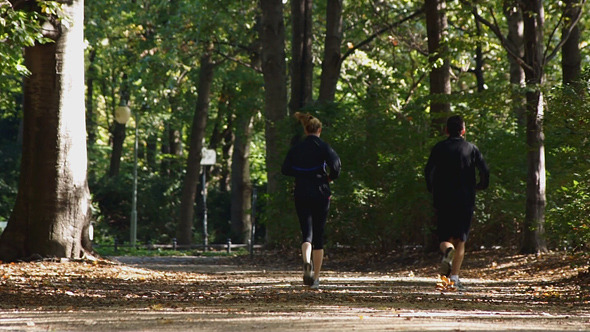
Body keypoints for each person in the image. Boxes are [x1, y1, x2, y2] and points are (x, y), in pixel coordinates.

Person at [424, 115, 489, 290]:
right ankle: (454, 278)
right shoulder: (471, 148)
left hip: (443, 197)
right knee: (461, 239)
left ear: (446, 130)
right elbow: (485, 171)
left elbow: (428, 170)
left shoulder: (439, 148)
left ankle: (447, 251)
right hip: (465, 198)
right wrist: (480, 186)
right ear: (463, 130)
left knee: (444, 237)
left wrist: (432, 189)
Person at [282, 112, 341, 290]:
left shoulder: (296, 148)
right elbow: (337, 166)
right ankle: (315, 278)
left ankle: (306, 261)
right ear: (319, 130)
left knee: (306, 233)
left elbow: (285, 169)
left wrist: (300, 174)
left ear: (305, 130)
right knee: (319, 235)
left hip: (301, 191)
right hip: (321, 192)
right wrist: (329, 178)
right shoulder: (324, 147)